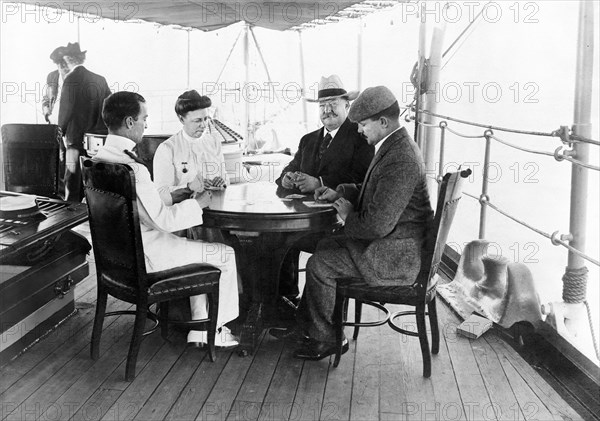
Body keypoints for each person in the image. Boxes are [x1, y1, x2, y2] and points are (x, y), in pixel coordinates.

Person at [271, 86, 434, 361]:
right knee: (324, 244)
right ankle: (307, 326)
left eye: (363, 124)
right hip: (397, 244)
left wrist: (348, 215)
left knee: (320, 263)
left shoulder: (400, 158)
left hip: (396, 257)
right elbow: (376, 194)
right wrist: (341, 192)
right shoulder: (394, 146)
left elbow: (376, 226)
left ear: (383, 122)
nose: (358, 130)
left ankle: (327, 339)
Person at [92, 91, 239, 348]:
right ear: (129, 122)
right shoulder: (133, 168)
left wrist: (182, 194)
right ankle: (212, 330)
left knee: (205, 247)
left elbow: (148, 208)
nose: (145, 124)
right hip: (149, 256)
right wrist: (198, 203)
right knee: (225, 255)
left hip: (119, 258)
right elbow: (164, 221)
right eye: (143, 118)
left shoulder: (99, 161)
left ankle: (201, 323)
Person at [274, 75, 374, 302]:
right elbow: (287, 169)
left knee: (290, 241)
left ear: (347, 106)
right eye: (322, 106)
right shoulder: (308, 140)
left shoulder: (362, 138)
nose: (327, 110)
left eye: (333, 104)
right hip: (304, 222)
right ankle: (285, 300)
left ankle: (312, 311)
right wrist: (286, 178)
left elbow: (364, 182)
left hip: (337, 224)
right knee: (276, 238)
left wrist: (319, 183)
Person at [153, 90, 228, 206]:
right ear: (181, 119)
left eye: (205, 119)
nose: (203, 125)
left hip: (215, 209)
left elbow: (226, 179)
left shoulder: (214, 142)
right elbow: (161, 196)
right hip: (185, 213)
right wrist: (188, 187)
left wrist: (222, 182)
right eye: (197, 120)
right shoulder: (167, 148)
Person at [58, 42, 111, 202]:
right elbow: (110, 108)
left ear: (67, 59)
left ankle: (71, 216)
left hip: (75, 141)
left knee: (72, 179)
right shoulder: (100, 79)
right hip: (98, 141)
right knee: (96, 181)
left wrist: (59, 133)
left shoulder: (71, 79)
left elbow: (65, 112)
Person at [42, 46, 69, 125]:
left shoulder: (76, 76)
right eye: (58, 62)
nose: (61, 65)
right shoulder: (51, 76)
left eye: (64, 62)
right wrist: (47, 114)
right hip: (54, 122)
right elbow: (46, 98)